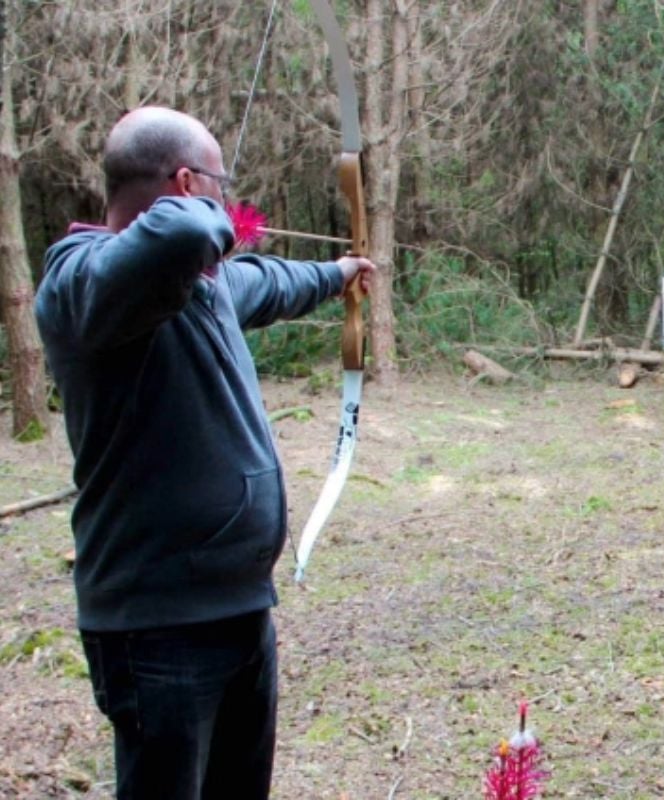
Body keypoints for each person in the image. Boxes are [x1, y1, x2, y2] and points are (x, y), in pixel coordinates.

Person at [35, 107, 376, 799]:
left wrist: (341, 270)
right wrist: (203, 211)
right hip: (156, 626)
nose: (230, 205)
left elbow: (272, 281)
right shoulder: (79, 282)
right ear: (186, 183)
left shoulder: (207, 286)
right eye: (221, 186)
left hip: (240, 612)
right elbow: (188, 228)